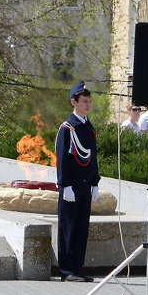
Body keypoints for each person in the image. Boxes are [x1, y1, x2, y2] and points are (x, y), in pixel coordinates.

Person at [55, 80, 100, 282]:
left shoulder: (87, 127)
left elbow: (92, 157)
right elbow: (62, 159)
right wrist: (64, 185)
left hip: (85, 185)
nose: (88, 105)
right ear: (74, 102)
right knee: (69, 228)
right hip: (71, 187)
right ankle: (66, 270)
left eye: (89, 101)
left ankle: (77, 267)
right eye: (84, 101)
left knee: (82, 228)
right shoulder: (67, 128)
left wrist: (95, 182)